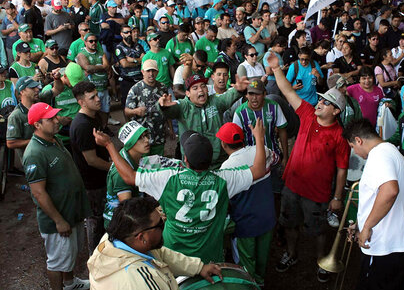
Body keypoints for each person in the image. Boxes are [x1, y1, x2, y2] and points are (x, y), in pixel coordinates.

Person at [93, 117, 266, 264]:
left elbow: (130, 176)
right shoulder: (224, 179)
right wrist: (259, 138)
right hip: (208, 254)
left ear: (185, 159)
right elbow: (259, 169)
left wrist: (109, 144)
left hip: (173, 252)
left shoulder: (167, 177)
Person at [266, 54, 349, 282]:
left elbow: (342, 169)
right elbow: (288, 91)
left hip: (318, 194)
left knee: (319, 231)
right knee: (289, 224)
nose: (319, 103)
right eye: (320, 100)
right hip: (292, 186)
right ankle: (291, 254)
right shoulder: (307, 114)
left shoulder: (340, 137)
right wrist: (276, 69)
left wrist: (338, 197)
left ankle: (322, 261)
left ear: (336, 111)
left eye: (326, 102)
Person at [23, 102, 91, 290]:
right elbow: (38, 192)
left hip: (71, 210)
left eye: (55, 116)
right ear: (37, 125)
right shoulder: (34, 153)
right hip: (58, 217)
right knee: (57, 262)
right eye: (50, 118)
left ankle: (69, 283)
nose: (56, 120)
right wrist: (58, 220)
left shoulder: (54, 139)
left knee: (69, 255)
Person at [343, 119, 404, 290]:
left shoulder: (379, 155)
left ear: (358, 140)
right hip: (399, 241)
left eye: (352, 147)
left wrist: (367, 226)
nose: (354, 151)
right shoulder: (393, 153)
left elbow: (390, 190)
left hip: (386, 245)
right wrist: (361, 224)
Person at [88, 196, 223, 289]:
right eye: (159, 225)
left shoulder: (115, 238)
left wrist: (198, 267)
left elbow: (160, 254)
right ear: (141, 237)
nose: (163, 224)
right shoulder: (142, 282)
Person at [217, 122, 278, 285]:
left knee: (245, 261)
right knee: (262, 255)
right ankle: (261, 280)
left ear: (223, 144)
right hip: (268, 217)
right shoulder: (262, 150)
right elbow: (276, 158)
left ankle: (250, 286)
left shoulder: (226, 167)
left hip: (245, 223)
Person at [158, 74, 250, 168]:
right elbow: (171, 110)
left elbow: (227, 97)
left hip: (218, 163)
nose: (201, 90)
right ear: (188, 93)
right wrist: (163, 107)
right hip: (193, 166)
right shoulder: (183, 106)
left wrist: (238, 90)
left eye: (203, 86)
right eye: (195, 88)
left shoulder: (215, 101)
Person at [70, 81, 111, 255]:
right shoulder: (82, 125)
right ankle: (94, 259)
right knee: (95, 222)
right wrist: (114, 167)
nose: (98, 99)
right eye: (92, 97)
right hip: (92, 183)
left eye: (97, 94)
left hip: (100, 179)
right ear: (81, 102)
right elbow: (92, 160)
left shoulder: (95, 117)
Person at [125, 59, 168, 155]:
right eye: (148, 71)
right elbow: (126, 111)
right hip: (142, 137)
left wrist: (171, 129)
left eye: (153, 71)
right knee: (143, 165)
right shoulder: (135, 89)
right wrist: (135, 111)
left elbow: (167, 110)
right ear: (142, 72)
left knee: (158, 163)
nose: (151, 74)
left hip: (159, 134)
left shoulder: (163, 87)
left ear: (157, 72)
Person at [76, 33, 110, 126]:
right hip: (91, 89)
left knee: (105, 110)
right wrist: (102, 67)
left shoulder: (101, 52)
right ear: (85, 42)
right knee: (94, 111)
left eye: (95, 41)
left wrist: (96, 68)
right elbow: (87, 68)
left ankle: (104, 127)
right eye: (91, 41)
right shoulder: (81, 54)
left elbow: (107, 66)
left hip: (103, 87)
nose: (93, 43)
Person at [115, 25, 145, 108]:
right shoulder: (119, 47)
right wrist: (139, 61)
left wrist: (133, 60)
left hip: (139, 78)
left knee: (142, 103)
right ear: (121, 34)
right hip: (127, 80)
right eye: (126, 32)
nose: (129, 34)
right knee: (127, 105)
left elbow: (144, 59)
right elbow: (124, 64)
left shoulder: (138, 46)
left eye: (130, 32)